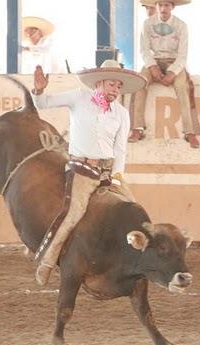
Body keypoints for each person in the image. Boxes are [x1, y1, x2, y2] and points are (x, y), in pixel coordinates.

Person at [31, 59, 146, 285]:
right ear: (100, 82)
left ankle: (141, 259)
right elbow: (43, 103)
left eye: (119, 87)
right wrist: (39, 89)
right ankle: (47, 260)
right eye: (112, 85)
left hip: (108, 171)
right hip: (81, 169)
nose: (116, 90)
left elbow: (120, 148)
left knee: (134, 209)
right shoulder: (78, 97)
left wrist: (117, 175)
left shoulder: (121, 113)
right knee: (73, 212)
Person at [130, 0, 200, 149]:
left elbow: (183, 54)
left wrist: (172, 72)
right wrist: (153, 66)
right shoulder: (147, 24)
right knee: (140, 82)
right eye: (160, 5)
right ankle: (138, 128)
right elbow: (144, 50)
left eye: (167, 5)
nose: (163, 8)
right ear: (155, 6)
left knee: (182, 86)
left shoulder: (181, 25)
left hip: (174, 61)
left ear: (172, 7)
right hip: (153, 60)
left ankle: (189, 132)